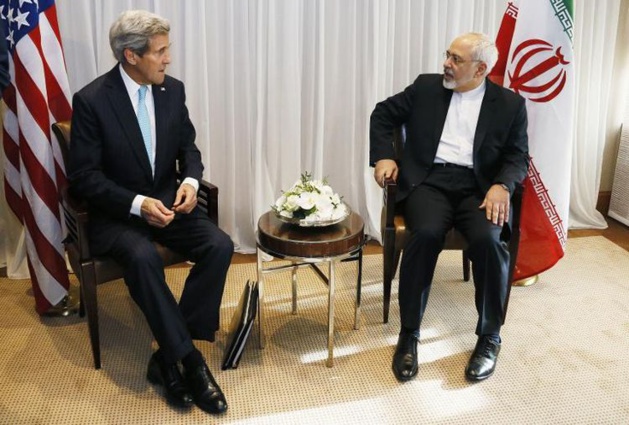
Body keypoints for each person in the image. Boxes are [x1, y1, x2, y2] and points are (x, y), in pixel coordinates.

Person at [68, 10, 234, 415]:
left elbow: (188, 150)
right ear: (130, 56)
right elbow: (84, 178)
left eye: (166, 50)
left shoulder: (171, 91)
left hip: (169, 204)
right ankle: (190, 363)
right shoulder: (91, 101)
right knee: (142, 258)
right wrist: (137, 204)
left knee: (220, 244)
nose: (167, 59)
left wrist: (191, 183)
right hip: (117, 214)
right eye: (160, 52)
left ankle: (165, 358)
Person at [370, 32, 528, 382]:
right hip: (430, 182)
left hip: (479, 188)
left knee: (490, 243)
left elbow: (518, 157)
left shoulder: (510, 105)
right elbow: (383, 114)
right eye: (448, 55)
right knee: (424, 235)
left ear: (481, 69)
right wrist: (383, 156)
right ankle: (409, 334)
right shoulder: (426, 88)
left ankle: (489, 337)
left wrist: (503, 186)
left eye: (456, 59)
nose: (446, 63)